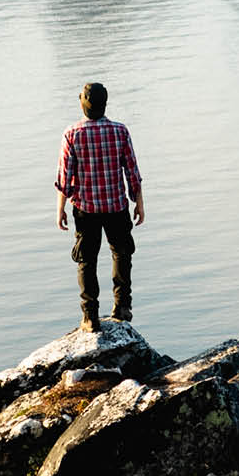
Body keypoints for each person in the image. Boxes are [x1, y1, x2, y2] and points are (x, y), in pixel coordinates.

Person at [55, 81, 145, 332]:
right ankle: (122, 307)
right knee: (121, 253)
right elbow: (132, 172)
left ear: (83, 104)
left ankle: (90, 317)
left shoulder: (71, 134)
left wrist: (60, 209)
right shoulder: (120, 131)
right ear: (105, 104)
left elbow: (65, 179)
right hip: (116, 206)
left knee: (87, 261)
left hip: (86, 210)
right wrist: (139, 203)